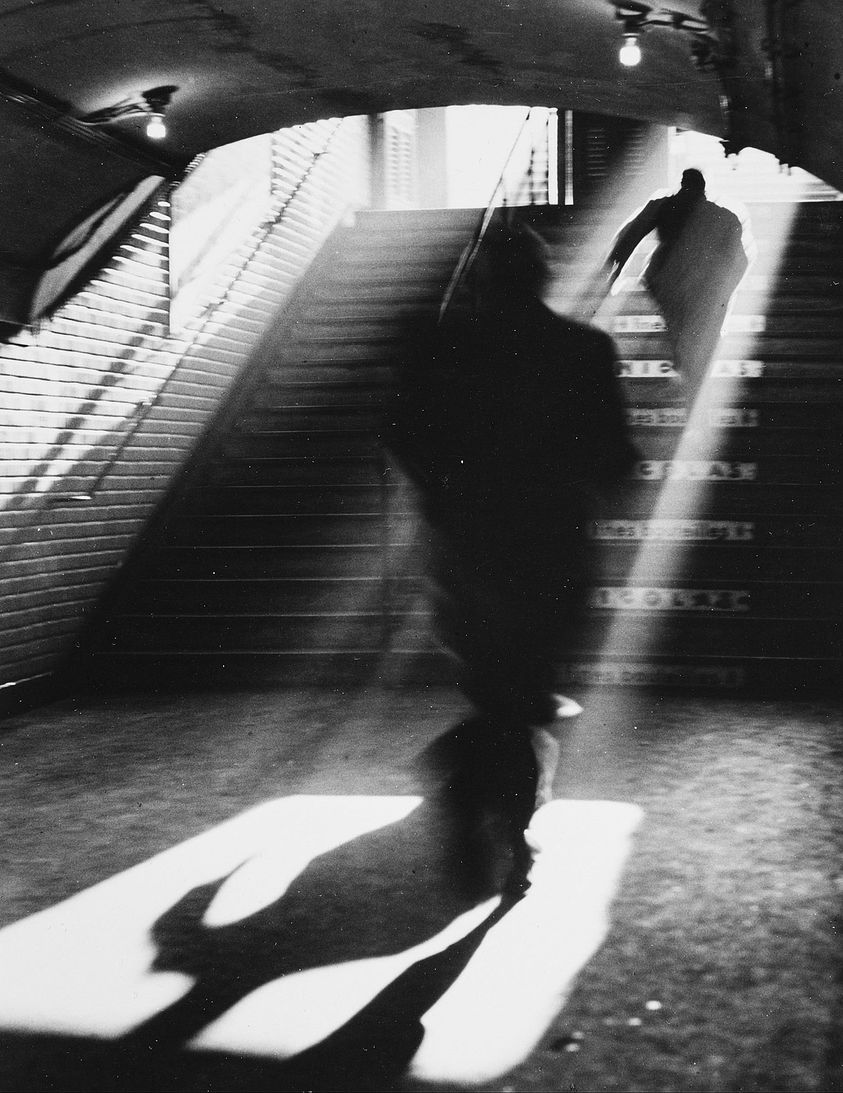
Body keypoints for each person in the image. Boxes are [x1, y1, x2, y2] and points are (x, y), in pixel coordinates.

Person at [387, 219, 637, 892]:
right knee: (524, 692)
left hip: (465, 544)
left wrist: (441, 493)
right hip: (551, 546)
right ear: (544, 276)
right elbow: (615, 457)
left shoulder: (440, 345)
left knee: (493, 686)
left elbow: (402, 432)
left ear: (478, 277)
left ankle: (479, 799)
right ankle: (498, 813)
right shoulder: (582, 349)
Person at [605, 168, 752, 405]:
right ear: (704, 189)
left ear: (682, 185)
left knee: (680, 331)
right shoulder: (725, 216)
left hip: (668, 283)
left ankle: (687, 379)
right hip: (705, 287)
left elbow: (629, 236)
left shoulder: (665, 205)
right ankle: (694, 385)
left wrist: (612, 272)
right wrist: (724, 291)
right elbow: (741, 261)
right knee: (698, 335)